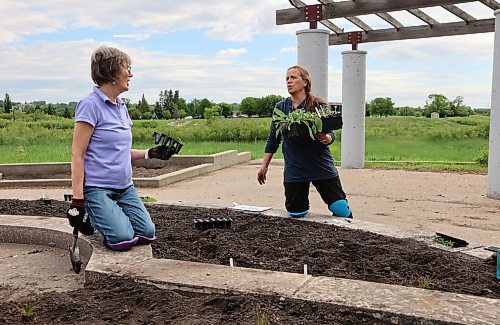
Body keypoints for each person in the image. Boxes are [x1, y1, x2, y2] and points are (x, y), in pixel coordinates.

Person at [67, 46, 175, 251]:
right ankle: (93, 214)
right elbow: (77, 154)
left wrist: (149, 153)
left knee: (147, 233)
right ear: (111, 72)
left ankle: (105, 215)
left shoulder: (121, 106)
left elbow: (120, 151)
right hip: (98, 187)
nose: (131, 74)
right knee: (122, 239)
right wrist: (78, 200)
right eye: (127, 68)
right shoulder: (90, 105)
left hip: (125, 187)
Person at [257, 65, 352, 219]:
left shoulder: (318, 105)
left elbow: (330, 136)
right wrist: (264, 166)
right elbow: (273, 138)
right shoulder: (281, 108)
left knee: (340, 208)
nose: (289, 81)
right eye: (287, 78)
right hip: (295, 168)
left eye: (293, 77)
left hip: (320, 165)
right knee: (296, 213)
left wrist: (323, 138)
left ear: (305, 82)